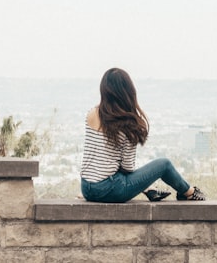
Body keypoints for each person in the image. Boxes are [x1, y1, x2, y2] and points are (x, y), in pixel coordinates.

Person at [80, 67, 206, 203]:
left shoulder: (91, 114)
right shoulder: (126, 123)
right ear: (128, 91)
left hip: (87, 188)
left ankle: (151, 189)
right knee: (164, 164)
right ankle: (189, 192)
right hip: (111, 190)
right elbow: (128, 167)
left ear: (104, 90)